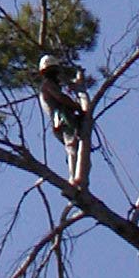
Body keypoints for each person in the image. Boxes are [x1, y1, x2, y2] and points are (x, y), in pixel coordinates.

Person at [38, 55, 90, 186]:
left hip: (63, 121)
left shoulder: (48, 86)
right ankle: (75, 179)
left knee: (76, 149)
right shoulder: (47, 85)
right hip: (63, 120)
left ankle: (78, 177)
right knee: (72, 146)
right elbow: (61, 98)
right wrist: (77, 106)